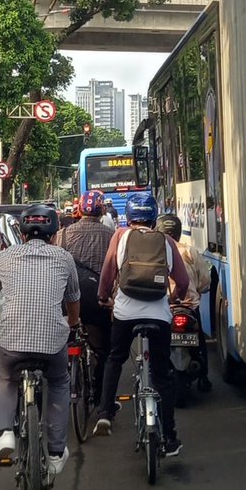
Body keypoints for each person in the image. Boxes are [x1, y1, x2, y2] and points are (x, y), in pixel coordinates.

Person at [0, 203, 80, 481]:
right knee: (58, 381)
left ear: (21, 232)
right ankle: (56, 452)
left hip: (10, 340)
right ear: (54, 232)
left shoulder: (5, 256)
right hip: (52, 341)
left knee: (5, 378)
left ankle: (5, 433)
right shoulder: (64, 258)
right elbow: (73, 301)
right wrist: (71, 323)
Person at [92, 190, 189, 455]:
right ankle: (169, 437)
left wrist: (103, 298)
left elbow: (108, 272)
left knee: (115, 358)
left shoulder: (120, 236)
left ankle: (104, 413)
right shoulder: (166, 241)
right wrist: (174, 300)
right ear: (154, 216)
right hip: (158, 315)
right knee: (162, 376)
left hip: (125, 313)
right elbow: (182, 282)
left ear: (129, 216)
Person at [55, 190, 113, 406]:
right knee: (104, 350)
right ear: (102, 210)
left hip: (67, 300)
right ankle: (101, 399)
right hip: (98, 299)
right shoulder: (110, 236)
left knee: (65, 341)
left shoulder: (63, 234)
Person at [155, 212, 212, 391]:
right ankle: (204, 377)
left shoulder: (155, 252)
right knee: (200, 341)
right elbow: (205, 282)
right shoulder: (189, 250)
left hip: (164, 308)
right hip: (189, 307)